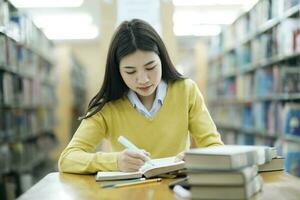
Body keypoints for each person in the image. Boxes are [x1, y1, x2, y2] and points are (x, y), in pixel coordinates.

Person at [58, 19, 223, 174]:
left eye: (150, 67)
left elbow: (215, 147)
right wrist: (115, 161)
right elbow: (67, 159)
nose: (143, 79)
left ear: (162, 60)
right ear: (117, 71)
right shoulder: (107, 106)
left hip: (175, 190)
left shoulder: (186, 90)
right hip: (127, 192)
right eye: (130, 71)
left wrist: (196, 158)